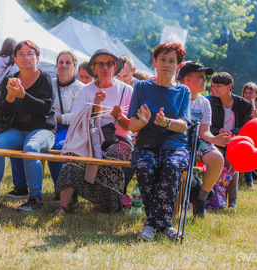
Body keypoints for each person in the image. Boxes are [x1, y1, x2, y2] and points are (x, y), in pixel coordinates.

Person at [0, 40, 56, 212]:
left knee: (31, 147)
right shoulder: (10, 80)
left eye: (30, 53)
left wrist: (23, 95)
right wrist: (10, 98)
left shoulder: (45, 78)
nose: (26, 57)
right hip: (17, 130)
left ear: (37, 58)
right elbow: (2, 113)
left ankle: (35, 200)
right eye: (21, 53)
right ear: (15, 58)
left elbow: (45, 108)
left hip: (43, 130)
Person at [53, 48, 133, 216]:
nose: (105, 68)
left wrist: (118, 117)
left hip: (118, 139)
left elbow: (131, 127)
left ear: (115, 68)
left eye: (109, 64)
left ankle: (110, 204)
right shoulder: (86, 91)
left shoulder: (126, 90)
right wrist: (95, 108)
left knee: (113, 155)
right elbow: (79, 121)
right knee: (73, 155)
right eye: (100, 64)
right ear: (93, 69)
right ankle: (63, 206)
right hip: (89, 137)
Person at [128, 42, 191, 241]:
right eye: (162, 59)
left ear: (178, 66)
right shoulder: (141, 87)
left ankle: (151, 225)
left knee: (171, 166)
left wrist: (166, 122)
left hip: (175, 146)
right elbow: (131, 126)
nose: (166, 64)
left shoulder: (183, 91)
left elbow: (183, 125)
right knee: (144, 166)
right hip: (146, 144)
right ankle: (165, 225)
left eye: (171, 61)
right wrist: (143, 121)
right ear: (154, 62)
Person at [8, 51, 84, 200]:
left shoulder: (80, 88)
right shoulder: (48, 82)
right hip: (45, 124)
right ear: (56, 66)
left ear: (75, 68)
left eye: (68, 62)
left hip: (69, 128)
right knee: (21, 142)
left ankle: (60, 189)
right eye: (61, 62)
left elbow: (78, 115)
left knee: (57, 147)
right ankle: (21, 186)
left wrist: (56, 117)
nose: (63, 65)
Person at [178, 61, 228, 217]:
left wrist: (215, 140)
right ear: (187, 80)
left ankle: (200, 199)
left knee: (217, 158)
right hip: (177, 143)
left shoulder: (204, 102)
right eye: (200, 77)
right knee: (181, 164)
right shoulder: (175, 96)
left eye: (205, 77)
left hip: (197, 143)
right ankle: (196, 185)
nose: (205, 81)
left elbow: (204, 131)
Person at [209, 72, 252, 208]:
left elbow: (247, 127)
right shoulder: (209, 102)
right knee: (218, 159)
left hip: (236, 141)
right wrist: (219, 132)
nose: (214, 89)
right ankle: (216, 198)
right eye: (213, 86)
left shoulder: (244, 105)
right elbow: (207, 126)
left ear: (229, 87)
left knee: (232, 161)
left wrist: (232, 133)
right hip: (216, 140)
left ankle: (232, 200)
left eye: (218, 86)